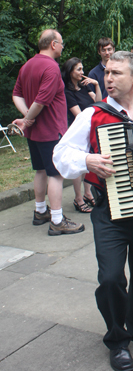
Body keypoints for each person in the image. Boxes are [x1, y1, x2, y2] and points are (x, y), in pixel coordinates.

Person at [53, 51, 133, 371]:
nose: (108, 78)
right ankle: (118, 341)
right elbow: (60, 154)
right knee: (112, 277)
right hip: (108, 209)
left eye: (116, 73)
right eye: (106, 73)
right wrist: (87, 161)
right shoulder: (93, 114)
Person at [12, 29, 85, 236]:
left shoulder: (27, 65)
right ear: (53, 44)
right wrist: (27, 119)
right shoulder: (51, 68)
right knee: (56, 173)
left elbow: (16, 94)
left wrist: (27, 118)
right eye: (61, 43)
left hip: (35, 133)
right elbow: (41, 101)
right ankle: (57, 220)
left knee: (41, 170)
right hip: (51, 130)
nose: (62, 47)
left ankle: (40, 211)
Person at [61, 57, 102, 213]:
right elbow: (78, 115)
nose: (82, 72)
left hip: (90, 128)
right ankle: (78, 198)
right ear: (70, 71)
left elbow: (98, 103)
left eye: (82, 69)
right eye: (78, 69)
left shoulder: (84, 86)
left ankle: (87, 193)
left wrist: (96, 85)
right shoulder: (67, 91)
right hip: (78, 130)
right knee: (79, 166)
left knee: (89, 163)